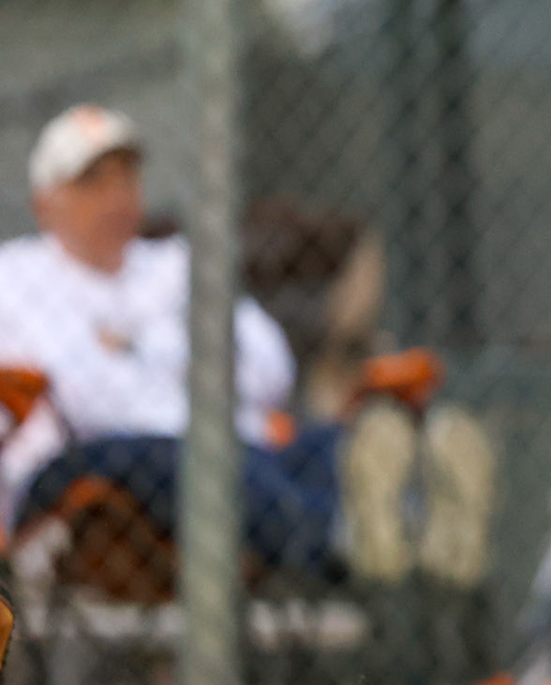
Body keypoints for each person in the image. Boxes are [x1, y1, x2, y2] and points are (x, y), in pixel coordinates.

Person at [0, 105, 493, 598]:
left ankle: (412, 521)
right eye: (92, 183)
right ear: (45, 201)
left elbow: (269, 363)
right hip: (83, 472)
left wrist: (139, 347)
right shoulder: (15, 278)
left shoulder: (173, 264)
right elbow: (86, 396)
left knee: (326, 444)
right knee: (195, 458)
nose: (115, 198)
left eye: (126, 180)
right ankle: (349, 535)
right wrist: (194, 360)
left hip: (229, 450)